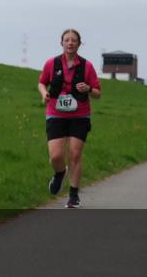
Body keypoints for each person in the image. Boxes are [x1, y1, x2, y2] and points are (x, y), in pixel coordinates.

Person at [37, 29, 101, 208]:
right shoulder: (52, 63)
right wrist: (44, 93)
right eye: (67, 40)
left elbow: (98, 93)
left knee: (75, 154)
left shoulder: (87, 66)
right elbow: (42, 82)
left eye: (74, 40)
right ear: (62, 43)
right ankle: (59, 173)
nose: (70, 43)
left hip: (80, 115)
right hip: (56, 114)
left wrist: (88, 89)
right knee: (56, 156)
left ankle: (73, 195)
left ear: (79, 44)